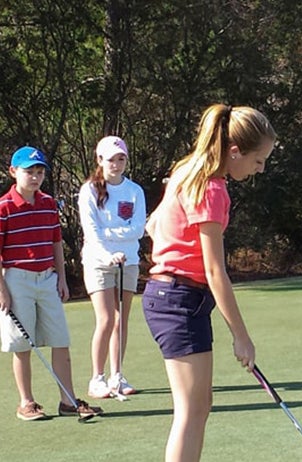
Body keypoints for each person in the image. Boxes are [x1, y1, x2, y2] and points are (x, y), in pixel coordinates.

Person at [143, 104, 275, 461]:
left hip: (176, 297)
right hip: (178, 300)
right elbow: (215, 270)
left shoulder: (186, 171)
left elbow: (153, 225)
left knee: (199, 406)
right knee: (190, 411)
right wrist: (241, 337)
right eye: (258, 161)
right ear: (235, 151)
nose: (259, 169)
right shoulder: (212, 189)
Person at [0, 146, 104, 420]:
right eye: (28, 172)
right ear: (13, 172)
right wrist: (2, 291)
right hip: (16, 280)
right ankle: (27, 402)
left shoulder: (48, 204)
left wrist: (62, 279)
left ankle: (68, 401)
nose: (35, 177)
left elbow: (56, 243)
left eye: (39, 172)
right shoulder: (4, 208)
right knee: (22, 346)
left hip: (47, 278)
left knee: (60, 341)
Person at [79, 136, 146, 399]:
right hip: (98, 262)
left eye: (121, 159)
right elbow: (92, 231)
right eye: (111, 160)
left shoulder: (135, 191)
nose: (116, 165)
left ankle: (117, 375)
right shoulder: (89, 191)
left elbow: (138, 229)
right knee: (106, 319)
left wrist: (114, 235)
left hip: (128, 262)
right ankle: (97, 378)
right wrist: (108, 251)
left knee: (121, 321)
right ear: (100, 160)